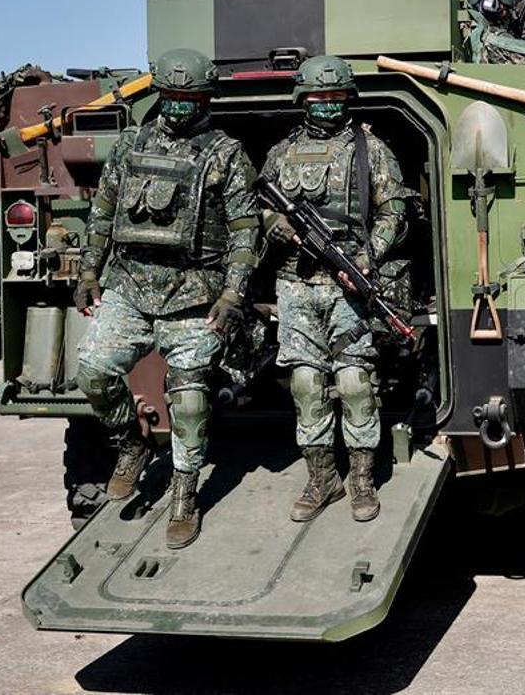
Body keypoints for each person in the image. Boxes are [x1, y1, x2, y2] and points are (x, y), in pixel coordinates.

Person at [74, 48, 260, 549]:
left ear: (205, 99)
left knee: (190, 399)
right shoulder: (131, 144)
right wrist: (89, 270)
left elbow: (246, 231)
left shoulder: (226, 154)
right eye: (171, 98)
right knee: (92, 372)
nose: (179, 108)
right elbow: (103, 214)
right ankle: (131, 444)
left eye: (189, 98)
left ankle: (184, 492)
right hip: (130, 287)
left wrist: (232, 294)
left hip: (195, 294)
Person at [261, 55, 407, 523]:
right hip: (296, 284)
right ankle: (322, 478)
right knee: (305, 383)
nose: (326, 106)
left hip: (349, 280)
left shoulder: (370, 149)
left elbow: (394, 213)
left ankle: (361, 479)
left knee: (353, 382)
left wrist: (366, 258)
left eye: (335, 98)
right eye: (318, 98)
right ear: (302, 100)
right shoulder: (281, 153)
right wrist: (276, 225)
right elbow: (255, 205)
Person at [464, 0, 525, 64]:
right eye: (504, 10)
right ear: (491, 7)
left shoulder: (469, 29)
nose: (506, 16)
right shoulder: (495, 37)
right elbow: (524, 61)